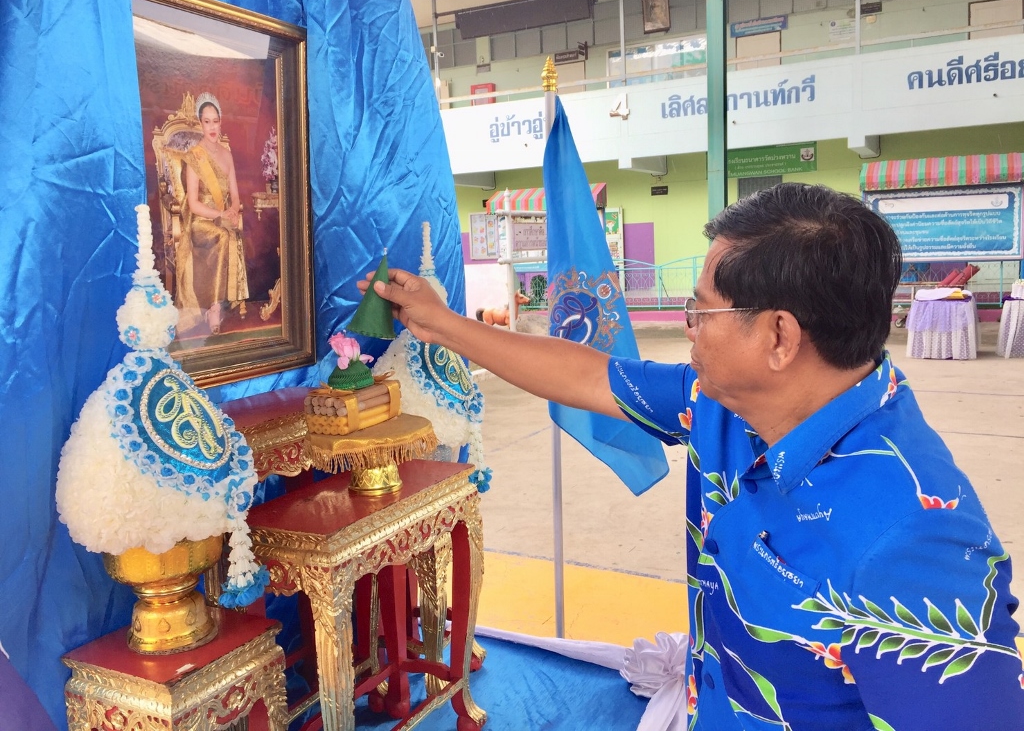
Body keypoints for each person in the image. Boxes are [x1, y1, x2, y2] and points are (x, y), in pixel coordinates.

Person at [362, 183, 1024, 729]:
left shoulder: (912, 540)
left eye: (699, 311)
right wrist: (443, 324)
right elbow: (589, 376)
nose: (687, 327)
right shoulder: (725, 404)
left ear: (779, 337)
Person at [177, 91, 248, 334]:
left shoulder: (227, 155)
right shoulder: (195, 157)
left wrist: (233, 210)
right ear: (200, 124)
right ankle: (213, 308)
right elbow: (193, 204)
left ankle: (220, 303)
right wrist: (219, 215)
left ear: (221, 122)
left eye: (215, 121)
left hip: (222, 217)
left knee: (231, 232)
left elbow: (235, 195)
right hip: (201, 221)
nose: (212, 127)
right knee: (223, 235)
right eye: (207, 122)